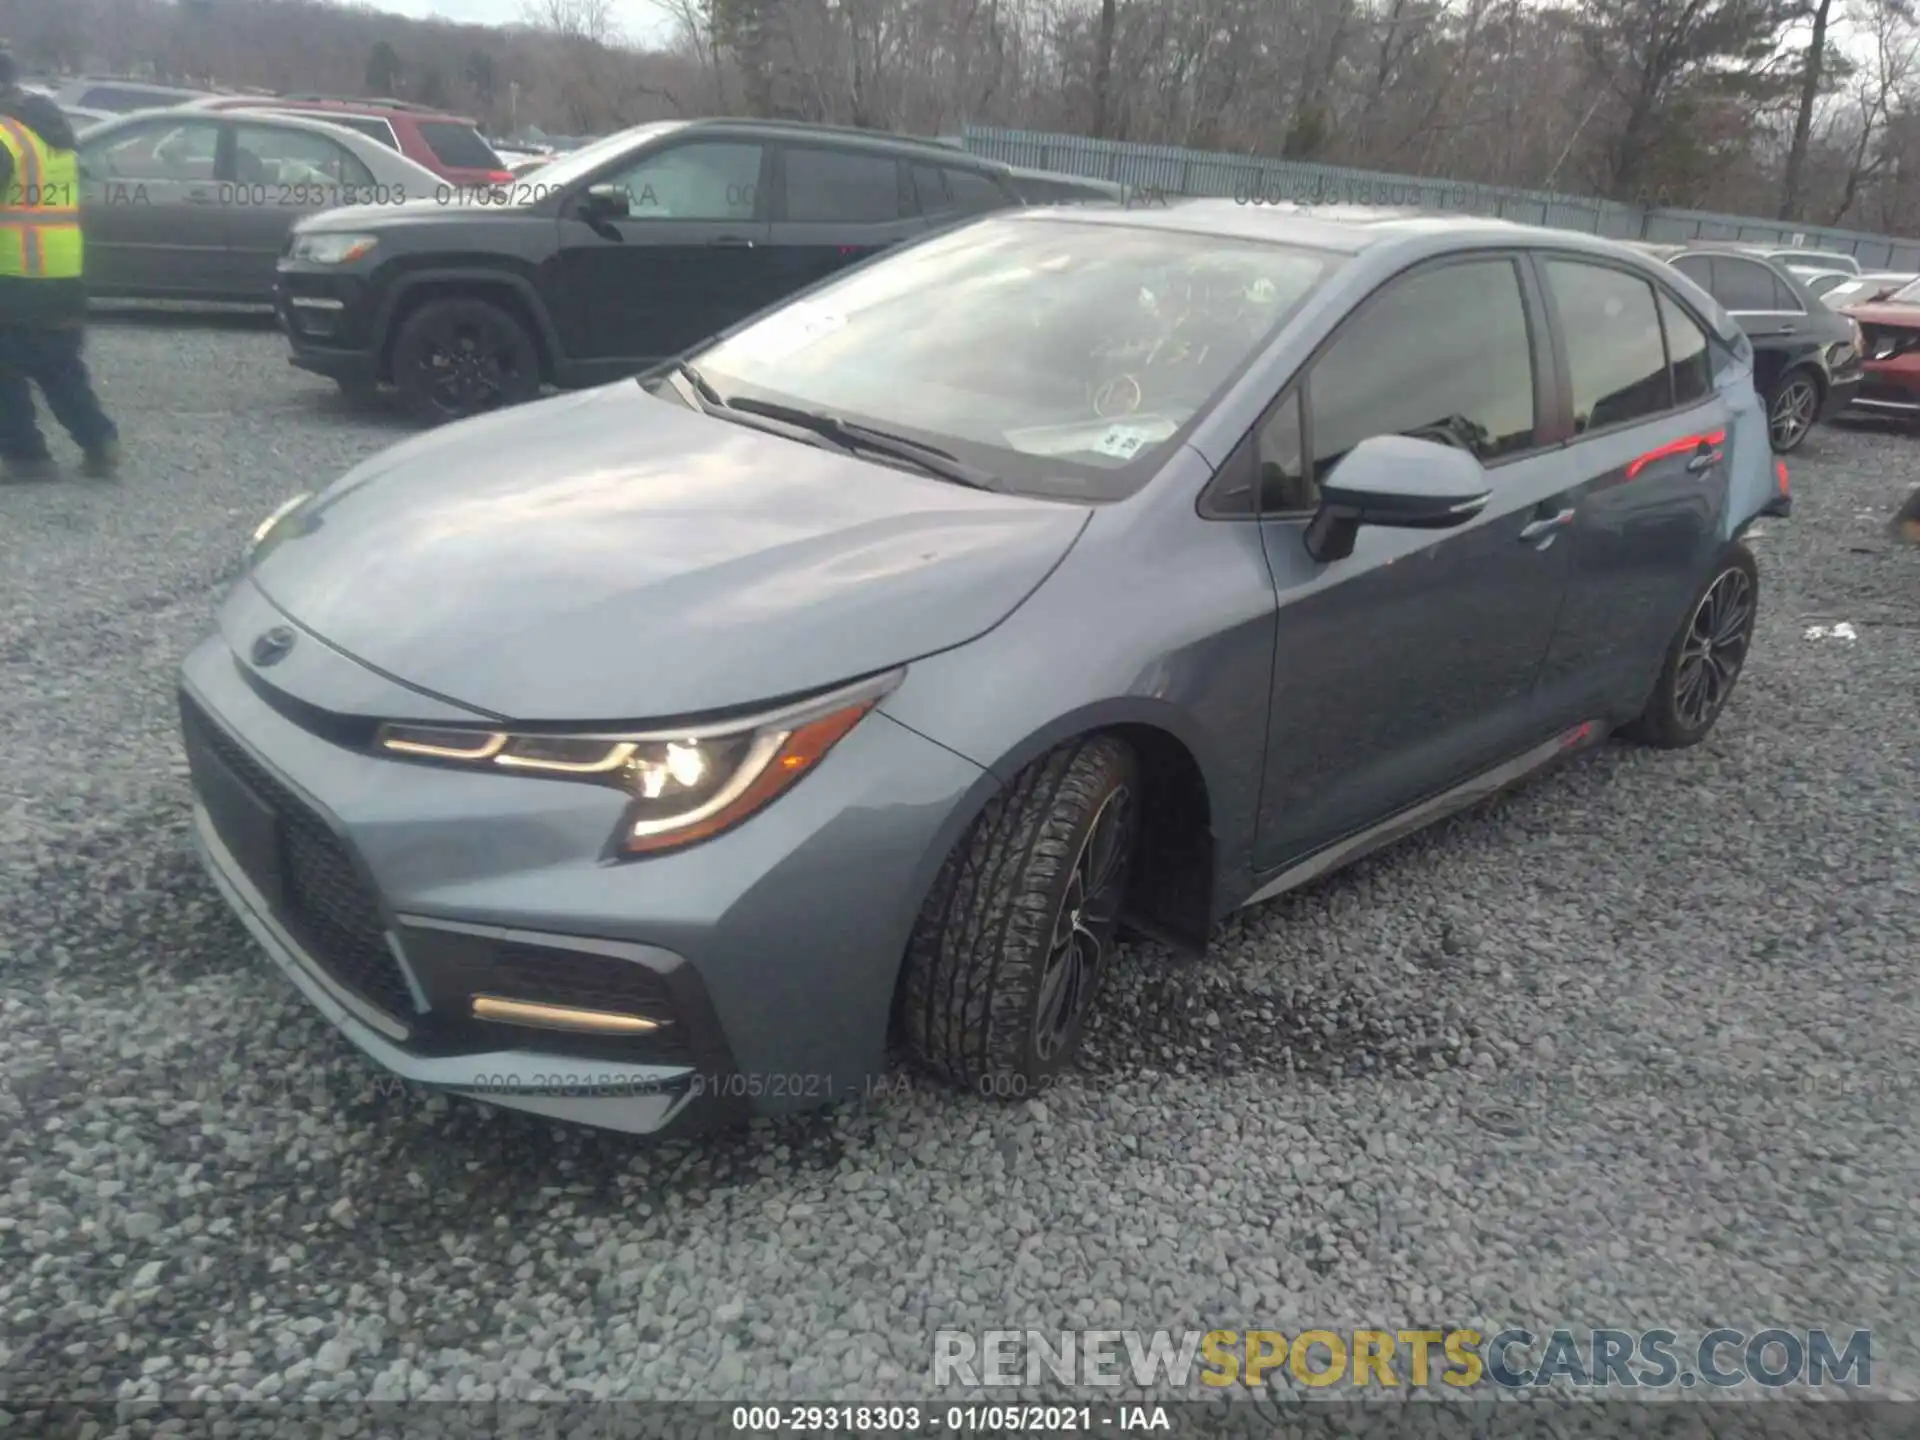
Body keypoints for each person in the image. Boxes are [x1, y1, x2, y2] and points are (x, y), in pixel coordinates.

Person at [0, 51, 118, 481]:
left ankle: (26, 456)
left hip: (15, 274)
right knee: (59, 366)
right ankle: (99, 441)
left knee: (5, 373)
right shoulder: (53, 131)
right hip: (62, 271)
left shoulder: (6, 136)